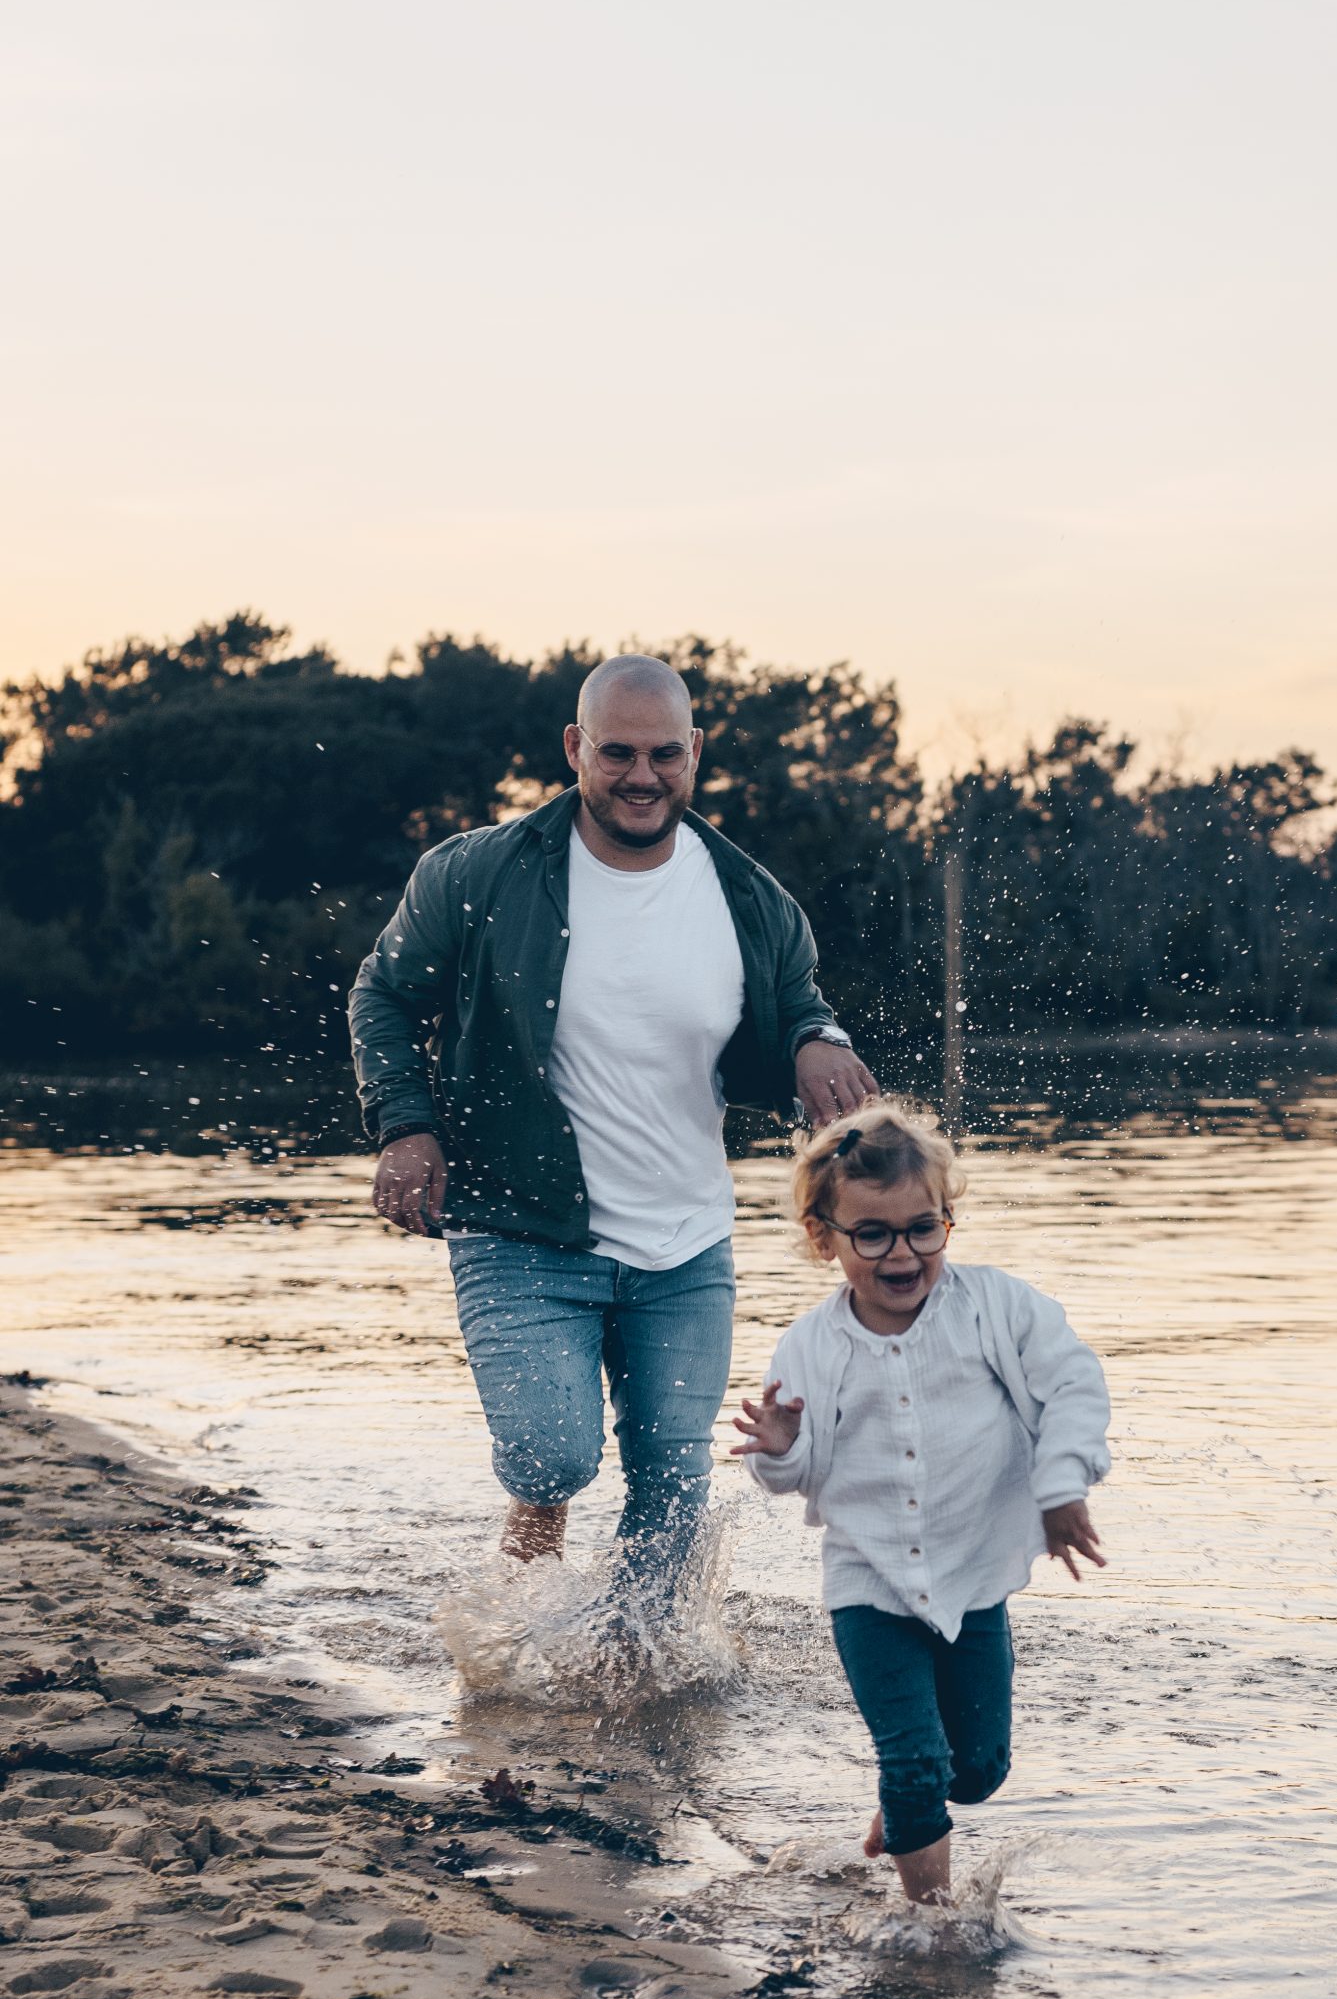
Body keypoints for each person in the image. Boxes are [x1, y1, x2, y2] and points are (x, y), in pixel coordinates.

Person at [349, 652, 878, 1581]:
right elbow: (382, 996)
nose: (643, 776)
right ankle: (530, 1565)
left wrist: (817, 1040)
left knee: (673, 1488)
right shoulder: (476, 874)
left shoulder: (753, 901)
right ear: (575, 748)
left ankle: (641, 1658)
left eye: (665, 754)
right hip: (520, 1226)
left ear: (695, 752)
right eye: (618, 753)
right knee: (553, 1455)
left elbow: (799, 1002)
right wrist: (405, 1125)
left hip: (686, 1244)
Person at [732, 1103, 1110, 1904]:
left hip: (973, 1578)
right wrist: (781, 1448)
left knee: (976, 1770)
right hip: (866, 1583)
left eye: (922, 1229)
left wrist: (1060, 1487)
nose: (902, 1254)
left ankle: (909, 1803)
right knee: (913, 1761)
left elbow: (1074, 1385)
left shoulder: (996, 1308)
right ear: (824, 1237)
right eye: (872, 1235)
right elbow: (794, 1477)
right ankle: (932, 1927)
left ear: (947, 1220)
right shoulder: (810, 1346)